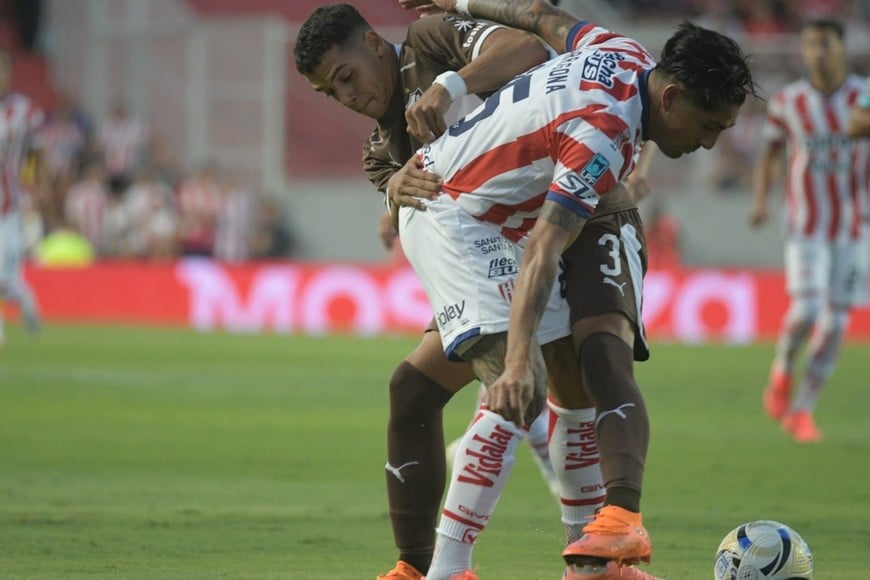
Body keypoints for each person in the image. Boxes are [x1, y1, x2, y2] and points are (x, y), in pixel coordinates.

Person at [393, 1, 756, 577]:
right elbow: (545, 244)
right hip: (454, 215)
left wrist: (461, 1)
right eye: (709, 126)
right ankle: (446, 568)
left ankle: (591, 566)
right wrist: (514, 358)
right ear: (670, 99)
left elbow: (540, 16)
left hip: (486, 207)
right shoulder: (604, 137)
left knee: (568, 377)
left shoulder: (622, 51)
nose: (710, 144)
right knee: (519, 383)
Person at [294, 7, 597, 580]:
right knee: (414, 390)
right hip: (498, 255)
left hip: (557, 215)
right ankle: (417, 566)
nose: (346, 96)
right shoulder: (379, 152)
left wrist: (450, 84)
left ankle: (469, 564)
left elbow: (528, 50)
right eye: (330, 92)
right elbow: (407, 203)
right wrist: (392, 196)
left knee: (528, 382)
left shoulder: (429, 42)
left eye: (345, 76)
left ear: (371, 42)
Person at [749, 19, 868, 444]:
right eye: (810, 44)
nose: (817, 52)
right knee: (806, 312)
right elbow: (770, 152)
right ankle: (781, 371)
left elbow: (859, 129)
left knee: (836, 323)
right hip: (805, 225)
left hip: (855, 227)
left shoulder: (864, 94)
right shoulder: (788, 101)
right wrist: (762, 199)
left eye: (825, 44)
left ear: (841, 46)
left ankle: (802, 410)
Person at [0, 46, 45, 344]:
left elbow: (34, 151)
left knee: (5, 279)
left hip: (8, 207)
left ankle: (26, 299)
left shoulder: (24, 111)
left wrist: (29, 179)